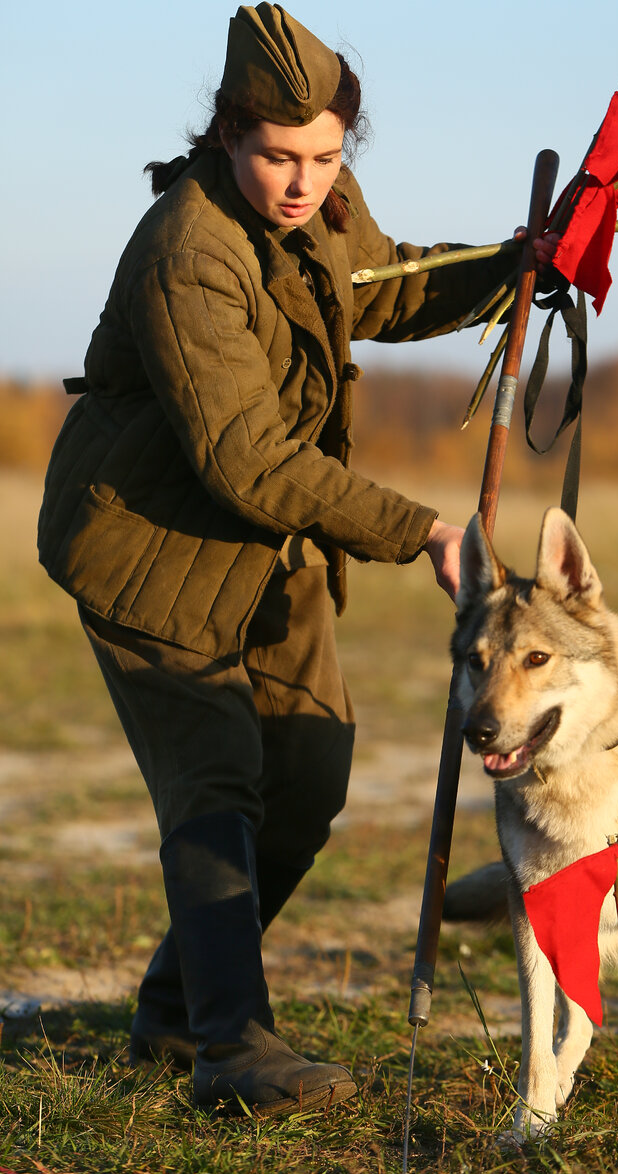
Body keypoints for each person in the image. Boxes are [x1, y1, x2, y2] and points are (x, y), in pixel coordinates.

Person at [38, 3, 557, 1117]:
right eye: (277, 155)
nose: (301, 181)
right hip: (151, 552)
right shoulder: (188, 250)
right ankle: (233, 1048)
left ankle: (178, 1007)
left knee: (307, 782)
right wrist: (419, 529)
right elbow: (243, 457)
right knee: (215, 782)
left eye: (324, 157)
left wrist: (515, 268)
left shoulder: (321, 206)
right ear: (226, 136)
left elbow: (379, 288)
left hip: (272, 562)